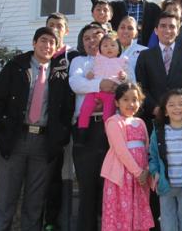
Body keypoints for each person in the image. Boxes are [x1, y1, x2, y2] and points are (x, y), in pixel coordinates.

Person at [0, 27, 73, 231]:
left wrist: (59, 138)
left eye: (52, 43)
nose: (47, 46)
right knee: (6, 199)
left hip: (44, 144)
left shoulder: (60, 74)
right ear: (34, 43)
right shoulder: (16, 67)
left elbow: (67, 110)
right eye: (43, 41)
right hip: (16, 139)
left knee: (34, 204)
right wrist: (0, 132)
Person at [68, 24, 113, 231]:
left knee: (108, 187)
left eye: (96, 36)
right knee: (87, 187)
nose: (91, 40)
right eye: (86, 37)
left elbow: (122, 85)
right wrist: (100, 85)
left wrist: (98, 85)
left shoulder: (115, 61)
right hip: (84, 130)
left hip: (110, 130)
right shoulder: (78, 61)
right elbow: (76, 83)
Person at [100, 82, 154, 231]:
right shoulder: (113, 122)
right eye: (125, 99)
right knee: (121, 215)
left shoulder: (141, 123)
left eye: (135, 99)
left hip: (140, 179)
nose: (131, 103)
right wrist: (138, 172)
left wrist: (146, 171)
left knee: (138, 212)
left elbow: (147, 149)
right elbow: (121, 150)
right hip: (121, 179)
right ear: (117, 102)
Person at [135, 11, 182, 127]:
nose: (167, 30)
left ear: (178, 31)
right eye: (163, 26)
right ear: (156, 30)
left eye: (172, 26)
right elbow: (141, 87)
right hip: (153, 118)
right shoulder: (144, 56)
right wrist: (154, 108)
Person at [43, 13, 79, 231]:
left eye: (59, 26)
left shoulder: (72, 56)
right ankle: (48, 221)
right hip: (42, 127)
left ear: (66, 31)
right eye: (51, 25)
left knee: (66, 175)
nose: (55, 28)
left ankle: (63, 221)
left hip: (68, 126)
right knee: (47, 175)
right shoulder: (40, 56)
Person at [149, 89, 182, 231]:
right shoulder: (159, 131)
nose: (176, 108)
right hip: (166, 187)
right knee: (168, 225)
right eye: (171, 105)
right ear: (165, 111)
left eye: (180, 104)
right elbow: (152, 156)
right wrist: (155, 173)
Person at [88, 0, 162, 46]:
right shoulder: (116, 7)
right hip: (120, 51)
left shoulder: (153, 8)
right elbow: (100, 3)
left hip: (146, 50)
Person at [77, 33, 128, 130]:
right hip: (95, 91)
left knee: (108, 114)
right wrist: (89, 74)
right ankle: (82, 130)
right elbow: (91, 70)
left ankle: (108, 132)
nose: (109, 48)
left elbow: (126, 77)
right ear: (100, 49)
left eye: (113, 45)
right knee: (85, 109)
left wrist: (123, 76)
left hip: (110, 94)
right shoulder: (97, 59)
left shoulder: (122, 61)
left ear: (119, 49)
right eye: (105, 46)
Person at [116, 16, 148, 83]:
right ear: (117, 30)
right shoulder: (106, 50)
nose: (125, 31)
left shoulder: (145, 51)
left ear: (136, 33)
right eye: (122, 27)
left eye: (130, 28)